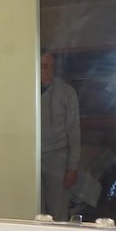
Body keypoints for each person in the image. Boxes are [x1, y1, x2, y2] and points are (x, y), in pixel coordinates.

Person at [40, 50, 81, 221]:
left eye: (51, 67)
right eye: (43, 66)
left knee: (58, 210)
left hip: (57, 158)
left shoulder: (66, 92)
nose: (48, 71)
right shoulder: (24, 91)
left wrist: (72, 167)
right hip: (30, 158)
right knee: (34, 208)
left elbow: (74, 131)